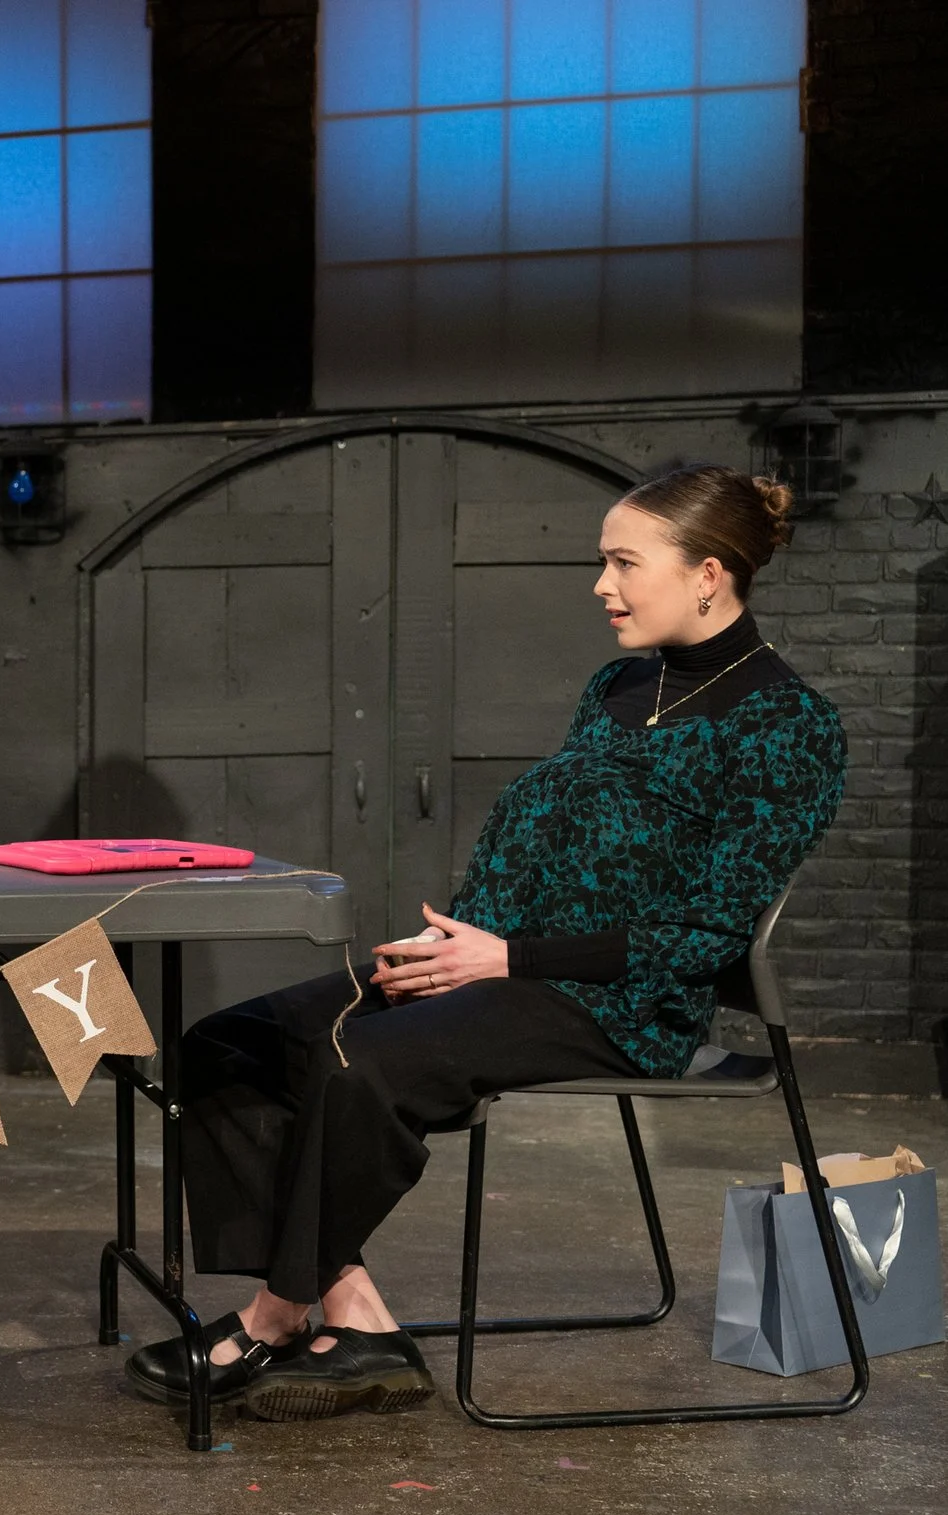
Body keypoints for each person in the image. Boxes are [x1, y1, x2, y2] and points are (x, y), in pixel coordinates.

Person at [129, 465, 846, 1422]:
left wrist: (509, 960)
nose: (602, 584)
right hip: (499, 963)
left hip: (618, 1002)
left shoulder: (787, 723)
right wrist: (455, 946)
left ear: (708, 574)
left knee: (355, 1062)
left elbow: (707, 932)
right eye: (603, 561)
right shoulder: (620, 684)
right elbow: (555, 838)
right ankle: (358, 1318)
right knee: (227, 1044)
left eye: (624, 562)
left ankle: (270, 1319)